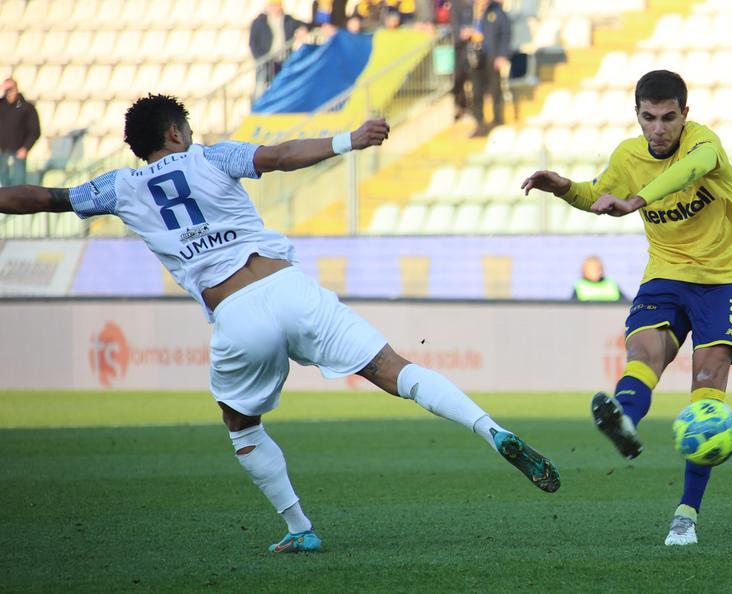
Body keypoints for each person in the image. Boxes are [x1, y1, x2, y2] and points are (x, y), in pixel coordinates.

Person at [0, 94, 560, 553]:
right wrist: (349, 139)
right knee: (395, 368)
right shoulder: (211, 158)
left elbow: (40, 198)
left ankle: (300, 528)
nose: (190, 136)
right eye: (187, 129)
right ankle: (492, 431)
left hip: (236, 313)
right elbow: (282, 155)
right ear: (174, 133)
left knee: (241, 424)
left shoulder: (119, 188)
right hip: (290, 288)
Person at [522, 70, 732, 546]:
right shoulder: (627, 156)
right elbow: (598, 195)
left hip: (722, 277)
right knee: (644, 353)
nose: (658, 128)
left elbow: (682, 174)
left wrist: (638, 200)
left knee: (706, 394)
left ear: (684, 115)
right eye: (648, 118)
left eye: (668, 117)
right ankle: (626, 419)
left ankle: (686, 515)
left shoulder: (705, 144)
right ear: (637, 116)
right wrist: (563, 186)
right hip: (666, 274)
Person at [465, 0, 510, 136]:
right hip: (474, 58)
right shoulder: (468, 10)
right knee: (476, 91)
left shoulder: (496, 11)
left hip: (492, 56)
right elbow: (457, 27)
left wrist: (502, 55)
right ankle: (480, 123)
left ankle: (497, 121)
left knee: (495, 89)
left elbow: (506, 34)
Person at [249, 0, 306, 99]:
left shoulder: (288, 20)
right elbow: (253, 43)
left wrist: (302, 29)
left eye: (276, 6)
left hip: (284, 60)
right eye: (272, 6)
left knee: (286, 85)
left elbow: (305, 24)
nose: (274, 8)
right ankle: (257, 110)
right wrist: (261, 58)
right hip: (266, 61)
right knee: (260, 85)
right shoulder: (259, 22)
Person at [0, 78, 41, 187]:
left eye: (11, 89)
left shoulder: (27, 107)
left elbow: (34, 130)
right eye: (6, 89)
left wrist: (26, 148)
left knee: (18, 185)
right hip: (1, 151)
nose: (9, 92)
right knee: (3, 186)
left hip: (18, 152)